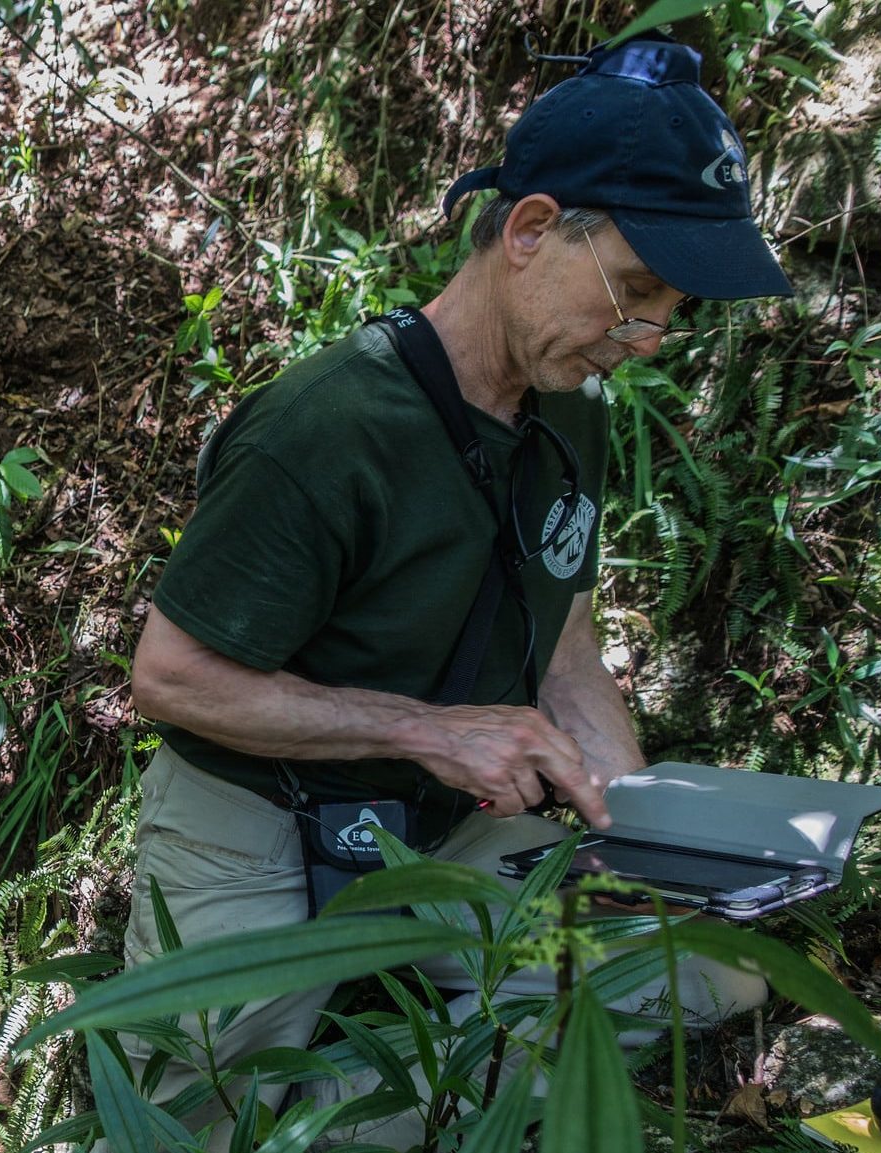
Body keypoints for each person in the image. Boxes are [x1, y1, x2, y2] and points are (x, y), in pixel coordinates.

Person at [119, 34, 791, 1146]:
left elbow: (561, 636)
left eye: (670, 310)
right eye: (633, 293)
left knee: (694, 976)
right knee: (193, 1110)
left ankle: (367, 1124)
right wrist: (430, 731)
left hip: (441, 833)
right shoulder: (324, 430)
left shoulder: (568, 409)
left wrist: (637, 826)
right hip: (253, 823)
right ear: (528, 232)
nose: (651, 339)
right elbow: (169, 676)